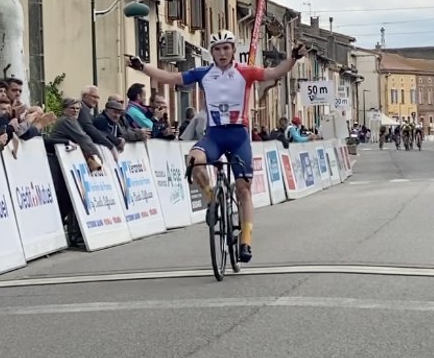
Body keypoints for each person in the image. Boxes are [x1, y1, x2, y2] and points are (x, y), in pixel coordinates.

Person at [128, 30, 304, 263]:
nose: (222, 53)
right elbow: (169, 78)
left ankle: (246, 240)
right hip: (214, 135)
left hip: (239, 135)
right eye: (217, 49)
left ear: (232, 50)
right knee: (194, 161)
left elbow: (275, 72)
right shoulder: (203, 73)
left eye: (226, 48)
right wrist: (142, 67)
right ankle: (212, 199)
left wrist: (292, 57)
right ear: (211, 53)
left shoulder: (245, 72)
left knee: (243, 189)